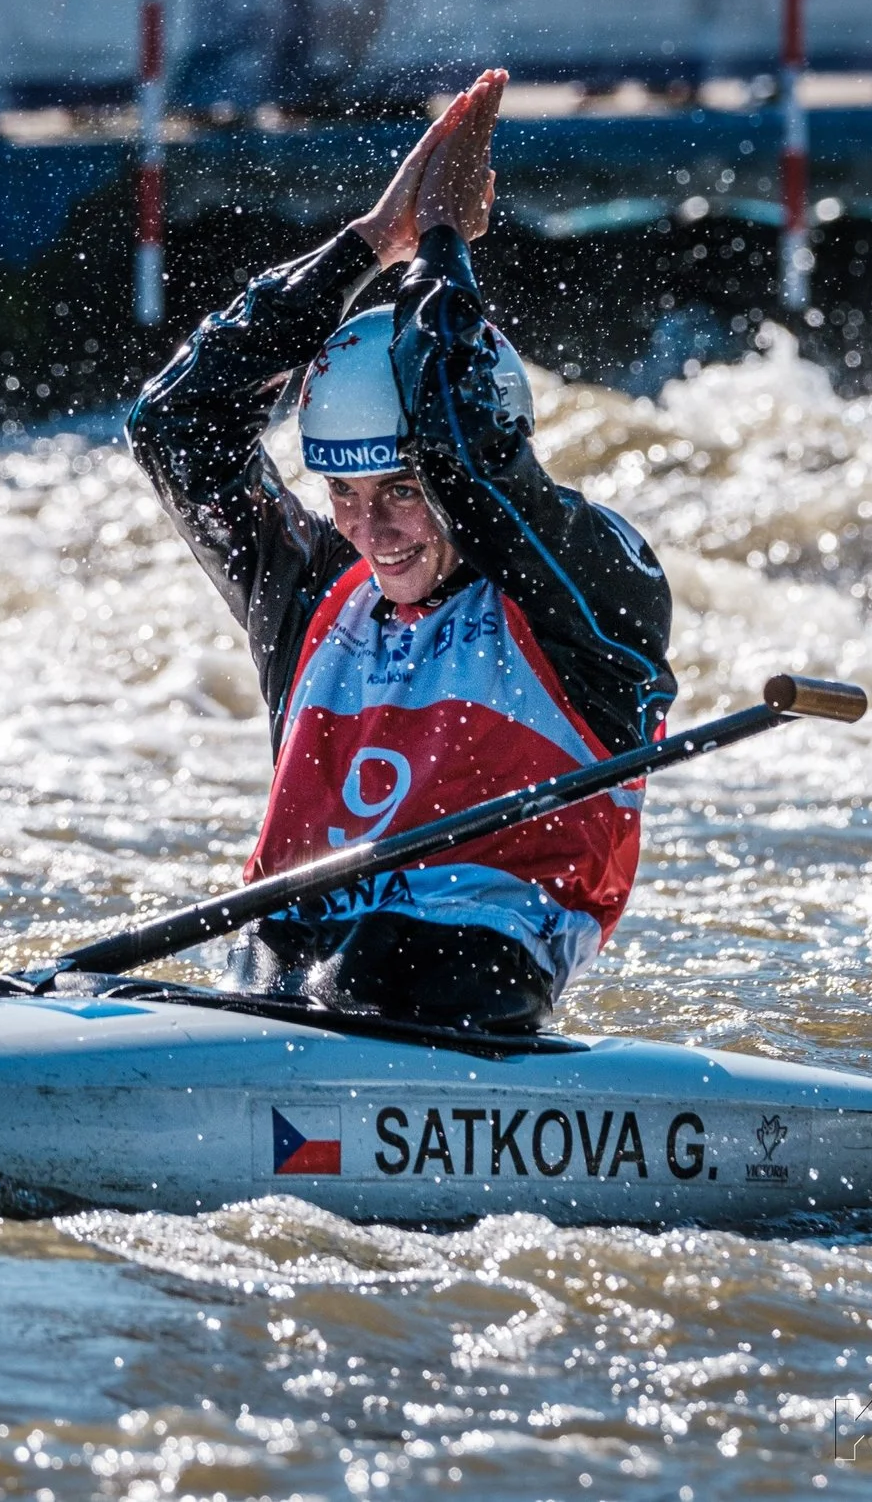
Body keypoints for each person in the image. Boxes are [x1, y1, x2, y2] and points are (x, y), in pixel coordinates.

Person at [125, 70, 676, 1033]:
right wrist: (370, 243)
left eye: (402, 494)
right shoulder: (309, 598)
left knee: (371, 959)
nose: (369, 530)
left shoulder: (594, 590)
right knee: (276, 960)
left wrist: (444, 249)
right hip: (284, 974)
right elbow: (177, 422)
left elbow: (466, 448)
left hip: (471, 966)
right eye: (343, 492)